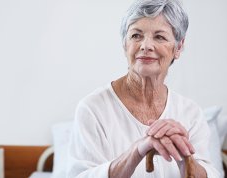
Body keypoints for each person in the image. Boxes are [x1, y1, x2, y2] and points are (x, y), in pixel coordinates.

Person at [67, 0, 219, 177]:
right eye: (136, 35)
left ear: (178, 47)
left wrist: (184, 157)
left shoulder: (191, 114)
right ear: (125, 44)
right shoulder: (92, 109)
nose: (146, 46)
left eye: (159, 37)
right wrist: (137, 151)